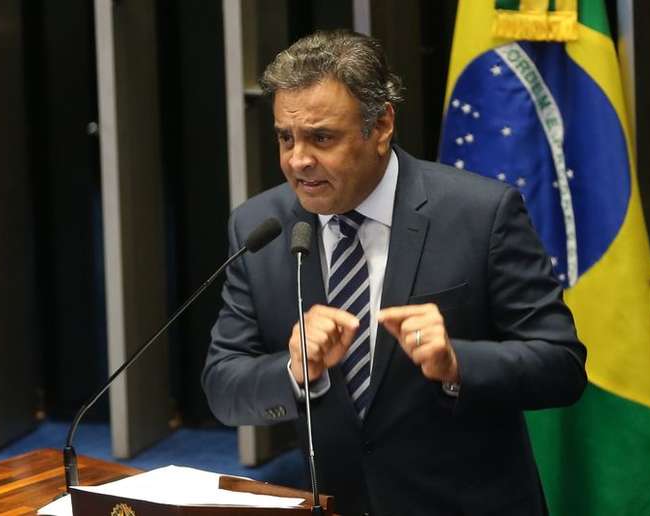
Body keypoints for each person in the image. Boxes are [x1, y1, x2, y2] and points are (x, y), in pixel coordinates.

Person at [202, 30, 587, 516]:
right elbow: (223, 386)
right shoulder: (261, 229)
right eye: (286, 137)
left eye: (322, 137)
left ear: (381, 125)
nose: (297, 160)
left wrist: (457, 363)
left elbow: (562, 367)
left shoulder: (481, 214)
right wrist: (295, 372)